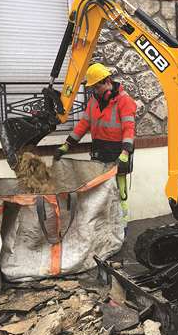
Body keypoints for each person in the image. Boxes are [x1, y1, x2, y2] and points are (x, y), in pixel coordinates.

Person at [54, 63, 137, 226]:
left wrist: (125, 153)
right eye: (92, 88)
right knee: (98, 191)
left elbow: (129, 128)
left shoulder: (124, 100)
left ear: (107, 81)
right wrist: (66, 145)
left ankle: (122, 225)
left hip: (118, 153)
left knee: (119, 192)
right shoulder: (94, 101)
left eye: (96, 87)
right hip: (99, 151)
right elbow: (83, 124)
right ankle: (101, 226)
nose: (94, 91)